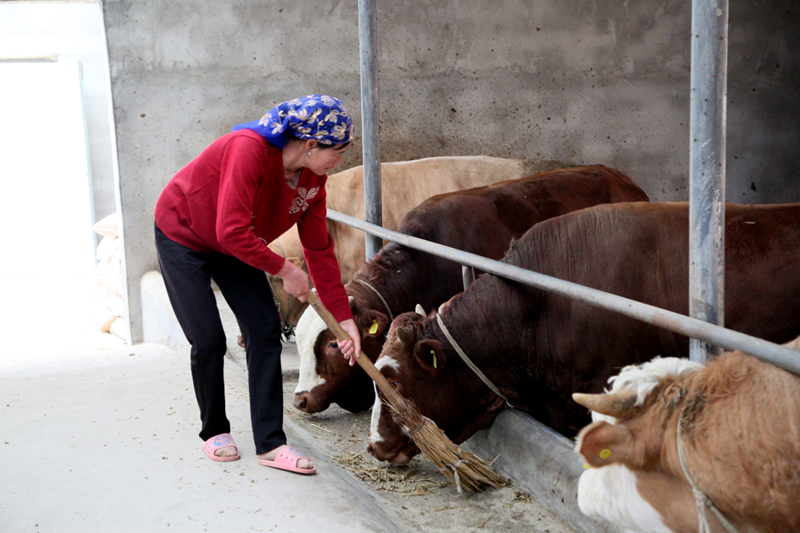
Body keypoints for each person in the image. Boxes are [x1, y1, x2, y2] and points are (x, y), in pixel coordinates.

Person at [154, 95, 361, 475]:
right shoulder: (248, 149)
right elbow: (230, 230)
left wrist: (343, 317)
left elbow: (319, 249)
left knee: (265, 331)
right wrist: (286, 269)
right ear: (311, 145)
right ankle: (214, 430)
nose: (339, 161)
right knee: (209, 339)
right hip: (184, 233)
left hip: (233, 242)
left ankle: (270, 443)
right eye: (338, 151)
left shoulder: (314, 180)